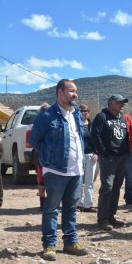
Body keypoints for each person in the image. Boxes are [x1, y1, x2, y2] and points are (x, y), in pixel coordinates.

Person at [29, 79, 89, 261]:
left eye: (75, 91)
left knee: (71, 208)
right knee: (51, 209)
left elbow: (79, 138)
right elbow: (34, 141)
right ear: (60, 93)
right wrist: (49, 160)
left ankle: (70, 242)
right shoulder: (47, 116)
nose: (75, 94)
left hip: (76, 170)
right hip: (55, 171)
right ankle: (49, 245)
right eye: (71, 90)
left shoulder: (77, 114)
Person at [91, 94, 132, 231]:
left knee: (116, 187)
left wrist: (127, 152)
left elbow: (126, 135)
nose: (122, 105)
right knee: (107, 187)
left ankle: (111, 216)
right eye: (119, 102)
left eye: (123, 103)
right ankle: (102, 219)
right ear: (110, 103)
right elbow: (95, 135)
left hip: (122, 157)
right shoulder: (102, 117)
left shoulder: (122, 118)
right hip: (108, 158)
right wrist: (103, 152)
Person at [77, 104, 97, 213]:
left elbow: (98, 139)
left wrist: (97, 152)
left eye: (87, 110)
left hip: (90, 155)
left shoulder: (92, 125)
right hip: (78, 156)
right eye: (82, 111)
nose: (85, 112)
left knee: (89, 181)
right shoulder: (75, 125)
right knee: (78, 180)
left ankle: (88, 205)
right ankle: (78, 204)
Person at [32, 102, 50, 211]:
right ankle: (44, 204)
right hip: (44, 155)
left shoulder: (37, 122)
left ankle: (43, 203)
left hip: (42, 155)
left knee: (42, 180)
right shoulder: (48, 121)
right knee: (45, 180)